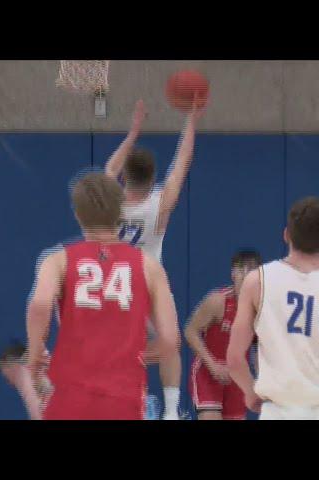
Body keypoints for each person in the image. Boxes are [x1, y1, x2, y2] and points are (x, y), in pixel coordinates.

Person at [25, 172, 179, 420]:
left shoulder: (57, 260)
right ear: (120, 213)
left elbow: (40, 304)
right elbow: (170, 341)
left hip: (68, 394)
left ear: (77, 215)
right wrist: (137, 355)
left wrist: (34, 357)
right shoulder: (148, 266)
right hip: (124, 397)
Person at [104, 98, 202, 419]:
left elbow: (110, 167)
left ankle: (129, 400)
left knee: (118, 349)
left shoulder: (111, 201)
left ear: (124, 178)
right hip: (149, 281)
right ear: (153, 177)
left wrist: (133, 131)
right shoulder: (160, 203)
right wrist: (191, 119)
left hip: (116, 283)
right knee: (169, 344)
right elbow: (183, 161)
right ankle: (171, 411)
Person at [228, 197, 319, 420]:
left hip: (276, 409)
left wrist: (250, 393)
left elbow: (234, 358)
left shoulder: (257, 280)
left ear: (286, 234)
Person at [185, 250, 261, 420]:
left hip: (237, 377)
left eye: (251, 272)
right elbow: (190, 331)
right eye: (241, 271)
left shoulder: (260, 310)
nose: (245, 276)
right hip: (208, 373)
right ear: (233, 274)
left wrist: (261, 379)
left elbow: (258, 346)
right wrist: (213, 365)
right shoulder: (218, 301)